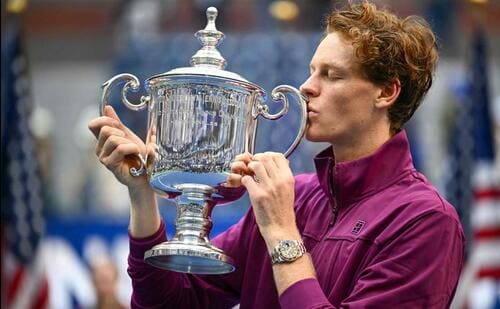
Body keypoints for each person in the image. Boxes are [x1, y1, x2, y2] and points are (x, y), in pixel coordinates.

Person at [88, 1, 464, 307]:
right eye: (311, 72)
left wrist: (282, 231)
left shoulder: (425, 221)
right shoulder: (294, 196)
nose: (306, 87)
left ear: (386, 93)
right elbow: (169, 303)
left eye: (331, 75)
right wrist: (141, 194)